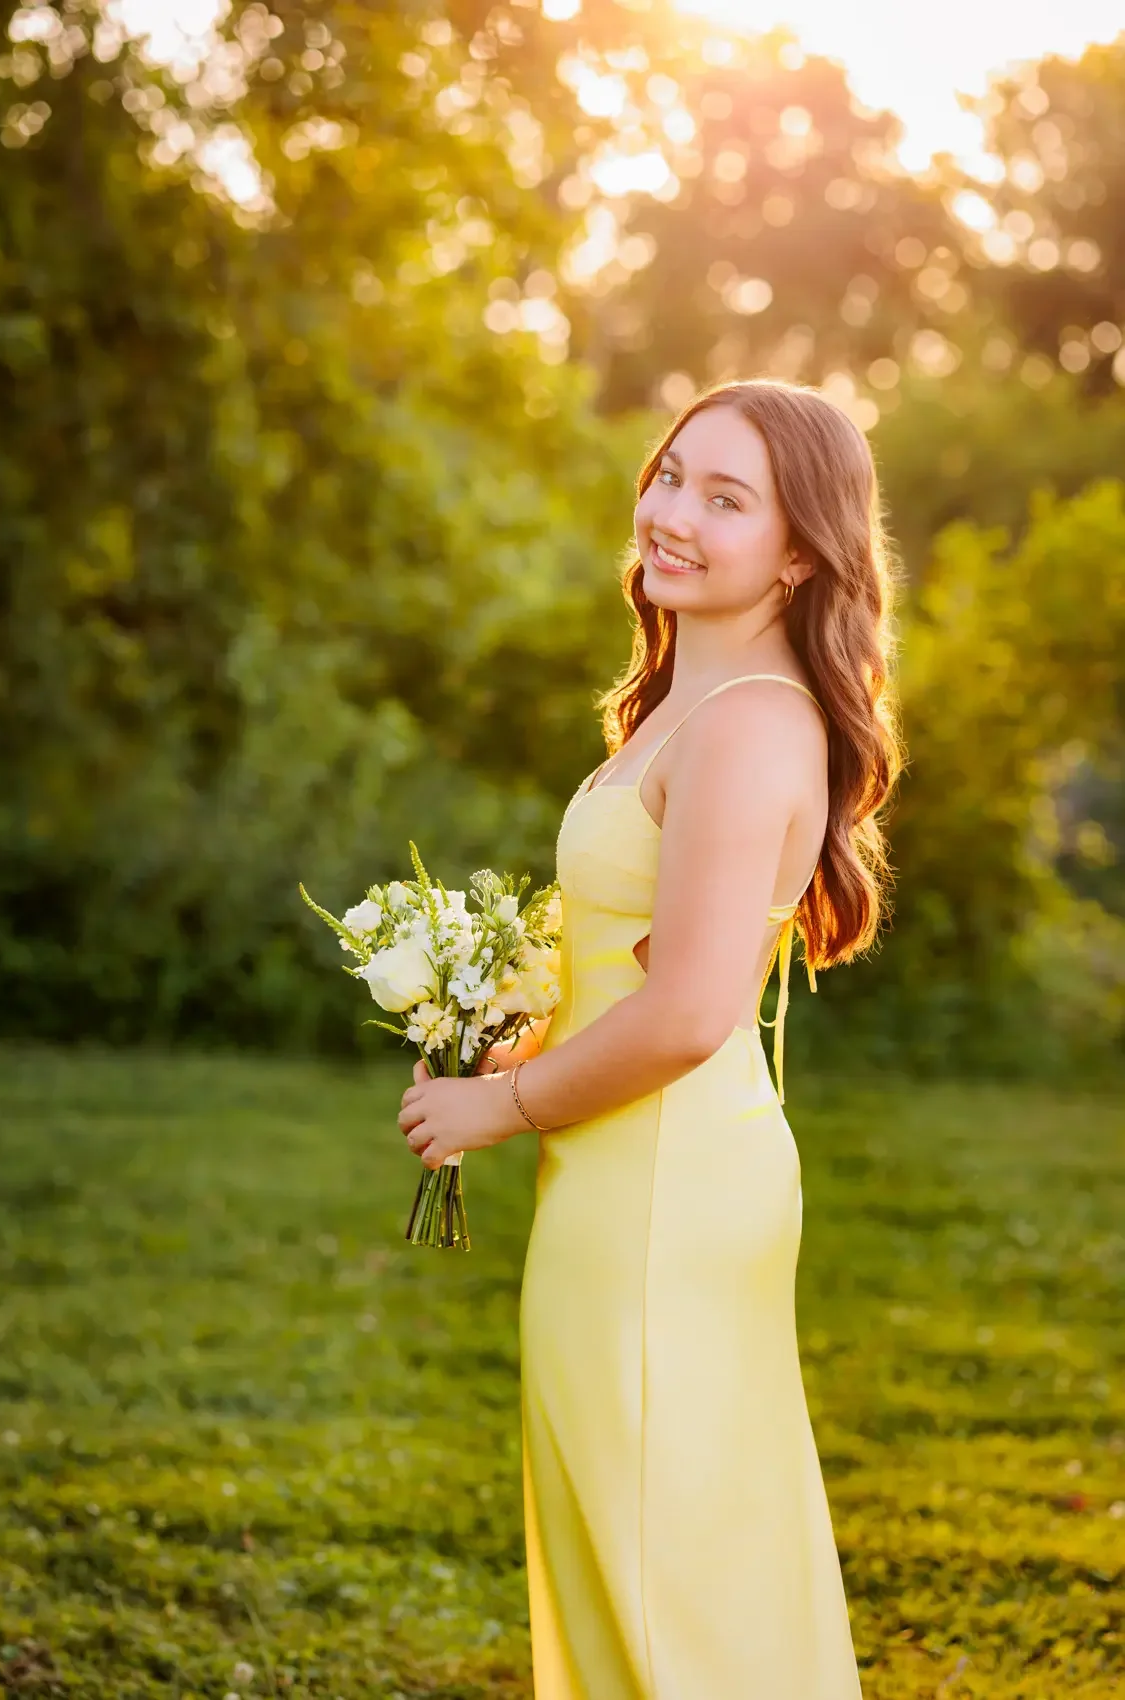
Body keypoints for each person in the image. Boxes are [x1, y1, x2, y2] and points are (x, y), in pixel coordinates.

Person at [398, 378, 902, 1697]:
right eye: (670, 476)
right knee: (647, 1552)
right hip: (636, 1170)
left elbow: (686, 1013)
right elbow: (630, 968)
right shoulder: (689, 702)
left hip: (667, 1188)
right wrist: (494, 1038)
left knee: (669, 1577)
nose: (672, 514)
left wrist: (493, 1112)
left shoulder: (745, 727)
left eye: (725, 499)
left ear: (800, 552)